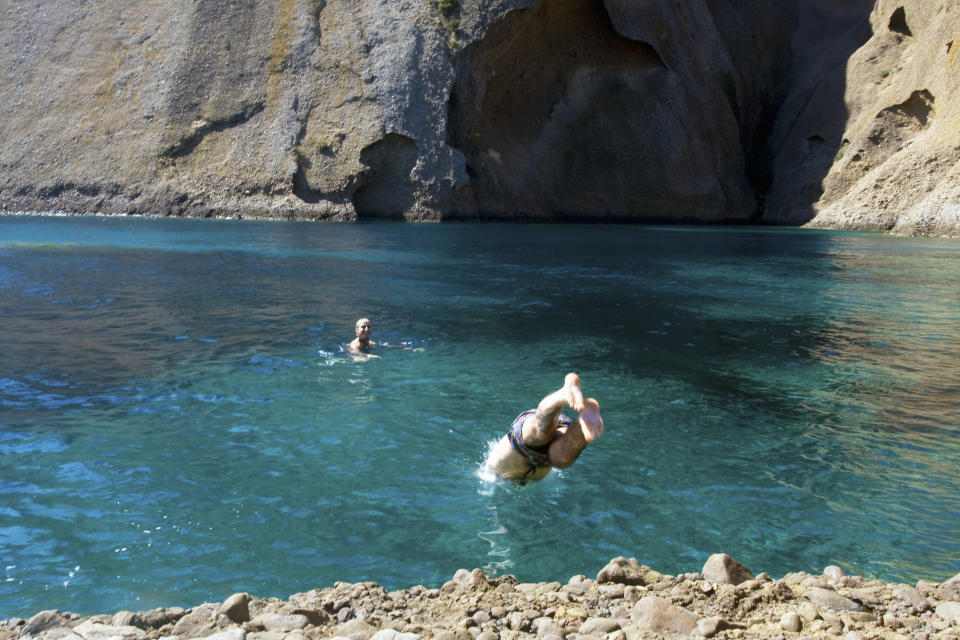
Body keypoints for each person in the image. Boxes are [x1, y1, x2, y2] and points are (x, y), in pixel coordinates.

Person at [484, 373, 604, 484]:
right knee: (561, 458)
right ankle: (581, 425)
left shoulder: (486, 474)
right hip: (546, 460)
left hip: (519, 443)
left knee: (538, 432)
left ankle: (564, 394)